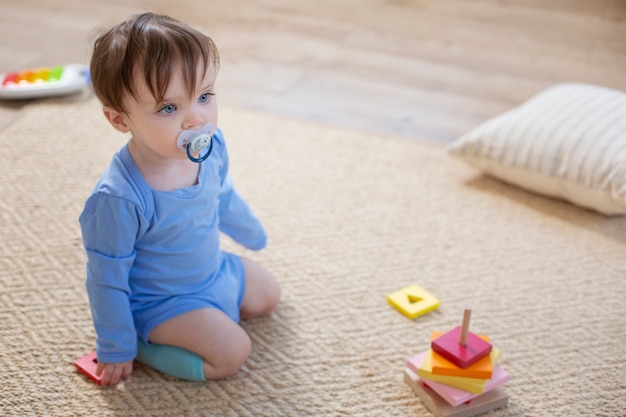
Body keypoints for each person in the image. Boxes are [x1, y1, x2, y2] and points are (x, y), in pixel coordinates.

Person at [79, 12, 280, 386]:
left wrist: (251, 233)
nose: (195, 120)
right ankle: (143, 344)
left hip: (212, 270)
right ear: (120, 120)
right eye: (169, 108)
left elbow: (222, 194)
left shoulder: (211, 147)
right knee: (233, 353)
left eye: (204, 96)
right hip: (160, 302)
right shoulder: (118, 199)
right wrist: (115, 346)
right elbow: (105, 278)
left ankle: (211, 311)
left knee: (268, 295)